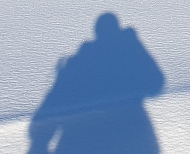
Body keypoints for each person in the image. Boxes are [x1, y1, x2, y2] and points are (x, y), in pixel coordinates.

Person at [29, 13, 165, 153]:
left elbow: (56, 99)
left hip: (89, 138)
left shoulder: (81, 61)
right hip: (130, 135)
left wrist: (40, 140)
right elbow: (155, 82)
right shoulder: (129, 55)